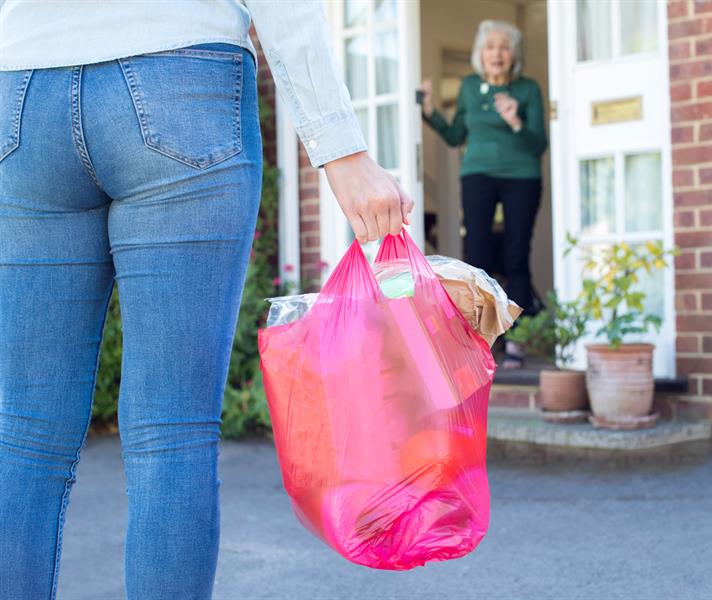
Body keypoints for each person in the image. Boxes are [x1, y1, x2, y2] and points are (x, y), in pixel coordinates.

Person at [0, 1, 412, 598]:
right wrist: (343, 152)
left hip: (21, 95)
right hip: (180, 76)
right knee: (170, 433)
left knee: (24, 434)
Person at [421, 19, 547, 369]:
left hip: (521, 176)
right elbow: (455, 135)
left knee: (516, 256)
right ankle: (480, 340)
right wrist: (429, 111)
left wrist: (516, 121)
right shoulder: (469, 87)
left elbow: (539, 144)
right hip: (477, 175)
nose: (497, 54)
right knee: (477, 256)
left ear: (514, 55)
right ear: (481, 54)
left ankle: (517, 340)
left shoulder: (528, 90)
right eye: (490, 47)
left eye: (504, 47)